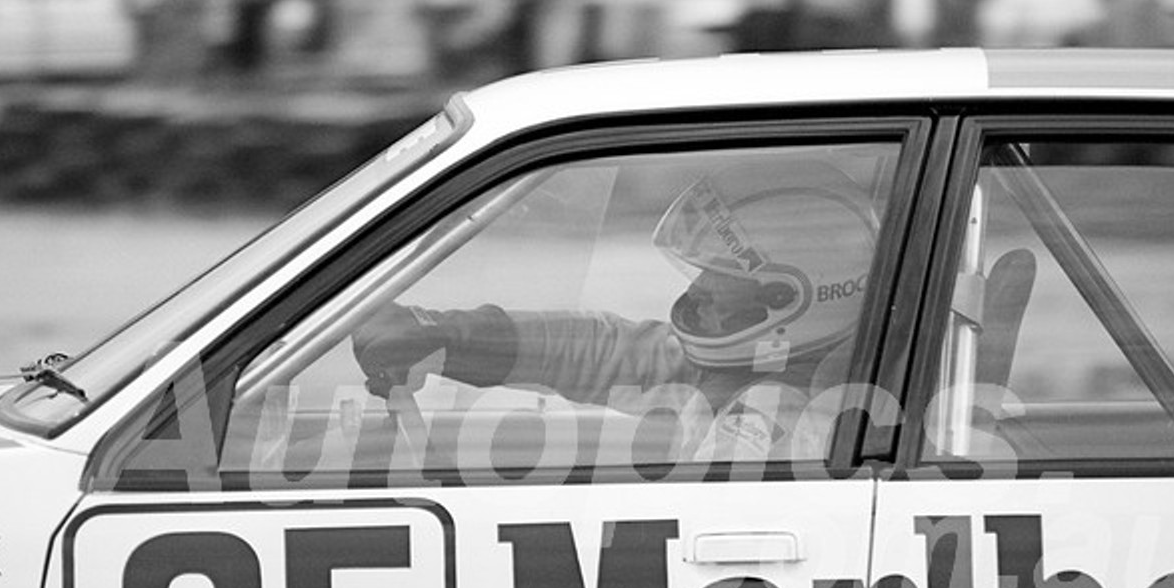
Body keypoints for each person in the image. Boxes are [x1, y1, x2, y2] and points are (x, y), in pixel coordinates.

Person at [351, 158, 878, 463]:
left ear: (785, 300)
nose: (701, 287)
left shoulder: (782, 415)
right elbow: (608, 351)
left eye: (724, 276)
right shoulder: (764, 363)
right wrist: (447, 335)